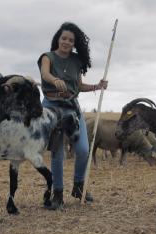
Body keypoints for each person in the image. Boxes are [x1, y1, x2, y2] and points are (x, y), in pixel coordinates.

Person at [38, 22, 108, 210]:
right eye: (64, 38)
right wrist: (55, 80)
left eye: (71, 40)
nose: (67, 42)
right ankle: (57, 194)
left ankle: (78, 186)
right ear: (58, 39)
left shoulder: (76, 61)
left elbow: (79, 86)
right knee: (58, 153)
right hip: (52, 109)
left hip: (72, 108)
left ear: (74, 43)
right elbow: (45, 74)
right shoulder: (47, 57)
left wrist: (97, 86)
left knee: (84, 150)